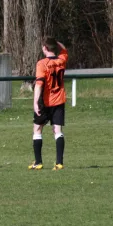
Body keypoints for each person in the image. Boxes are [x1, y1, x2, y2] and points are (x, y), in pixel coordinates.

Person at [28, 37, 68, 171]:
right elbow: (64, 49)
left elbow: (39, 85)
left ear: (45, 48)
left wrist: (35, 103)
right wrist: (55, 42)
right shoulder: (61, 60)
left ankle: (38, 162)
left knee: (37, 129)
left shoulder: (42, 64)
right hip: (59, 100)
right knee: (57, 130)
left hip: (45, 102)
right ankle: (59, 163)